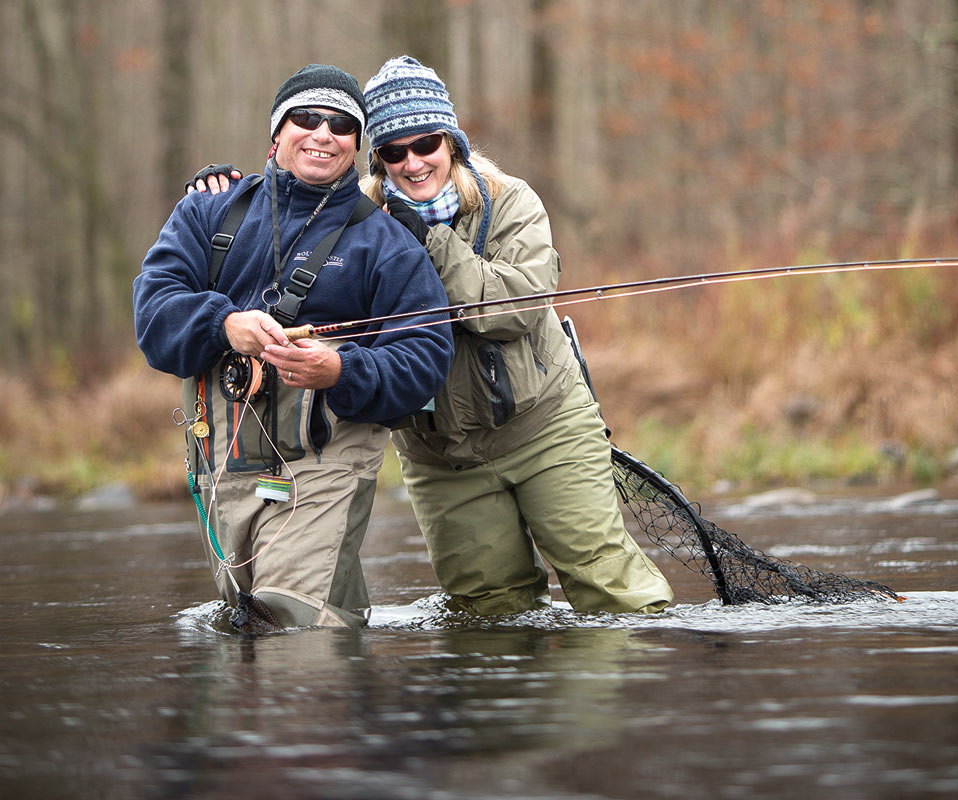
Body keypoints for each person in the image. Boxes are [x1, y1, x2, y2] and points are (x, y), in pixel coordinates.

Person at [195, 56, 673, 616]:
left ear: (453, 144)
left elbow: (510, 312)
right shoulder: (360, 220)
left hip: (544, 427)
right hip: (437, 452)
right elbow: (279, 228)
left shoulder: (510, 201)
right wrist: (221, 195)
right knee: (490, 611)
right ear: (377, 158)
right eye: (394, 152)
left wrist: (430, 239)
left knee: (610, 586)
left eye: (426, 145)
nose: (413, 162)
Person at [135, 64, 453, 629]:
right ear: (275, 131)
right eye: (306, 118)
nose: (323, 133)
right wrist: (223, 324)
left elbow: (426, 354)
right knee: (256, 628)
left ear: (357, 148)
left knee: (287, 625)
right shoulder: (207, 211)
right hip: (221, 461)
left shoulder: (386, 241)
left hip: (327, 461)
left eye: (341, 125)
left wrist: (341, 369)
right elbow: (153, 316)